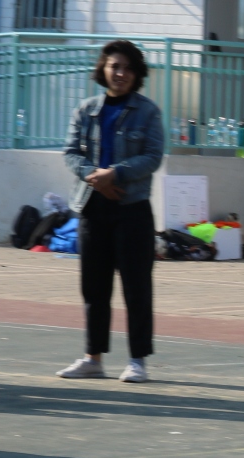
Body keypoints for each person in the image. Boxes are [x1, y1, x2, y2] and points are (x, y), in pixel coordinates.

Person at [56, 39, 165, 384]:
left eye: (128, 68)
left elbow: (152, 157)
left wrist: (115, 173)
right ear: (103, 69)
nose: (121, 74)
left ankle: (137, 361)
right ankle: (93, 357)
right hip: (92, 208)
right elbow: (71, 152)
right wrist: (96, 179)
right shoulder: (86, 109)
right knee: (94, 287)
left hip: (132, 210)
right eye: (115, 66)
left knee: (136, 287)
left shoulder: (148, 112)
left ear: (137, 74)